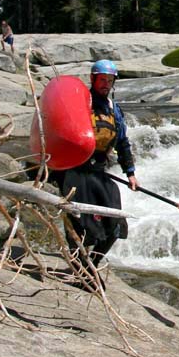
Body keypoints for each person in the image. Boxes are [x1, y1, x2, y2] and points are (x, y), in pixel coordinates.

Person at [51, 59, 138, 279]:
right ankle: (79, 264)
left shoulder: (113, 110)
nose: (105, 84)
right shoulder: (81, 102)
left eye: (109, 81)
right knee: (77, 221)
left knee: (115, 223)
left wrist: (131, 173)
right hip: (74, 170)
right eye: (102, 80)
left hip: (98, 170)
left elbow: (122, 142)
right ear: (93, 79)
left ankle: (93, 262)